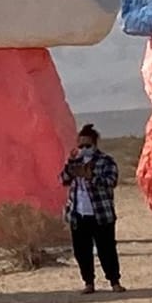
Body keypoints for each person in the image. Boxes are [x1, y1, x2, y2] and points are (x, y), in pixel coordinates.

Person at [59, 125, 122, 294]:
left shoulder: (106, 161)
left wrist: (91, 178)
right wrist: (71, 164)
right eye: (81, 146)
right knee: (82, 251)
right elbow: (63, 180)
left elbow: (111, 181)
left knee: (106, 248)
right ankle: (88, 282)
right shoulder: (75, 162)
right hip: (78, 214)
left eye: (87, 146)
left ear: (95, 144)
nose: (84, 149)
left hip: (101, 213)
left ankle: (114, 281)